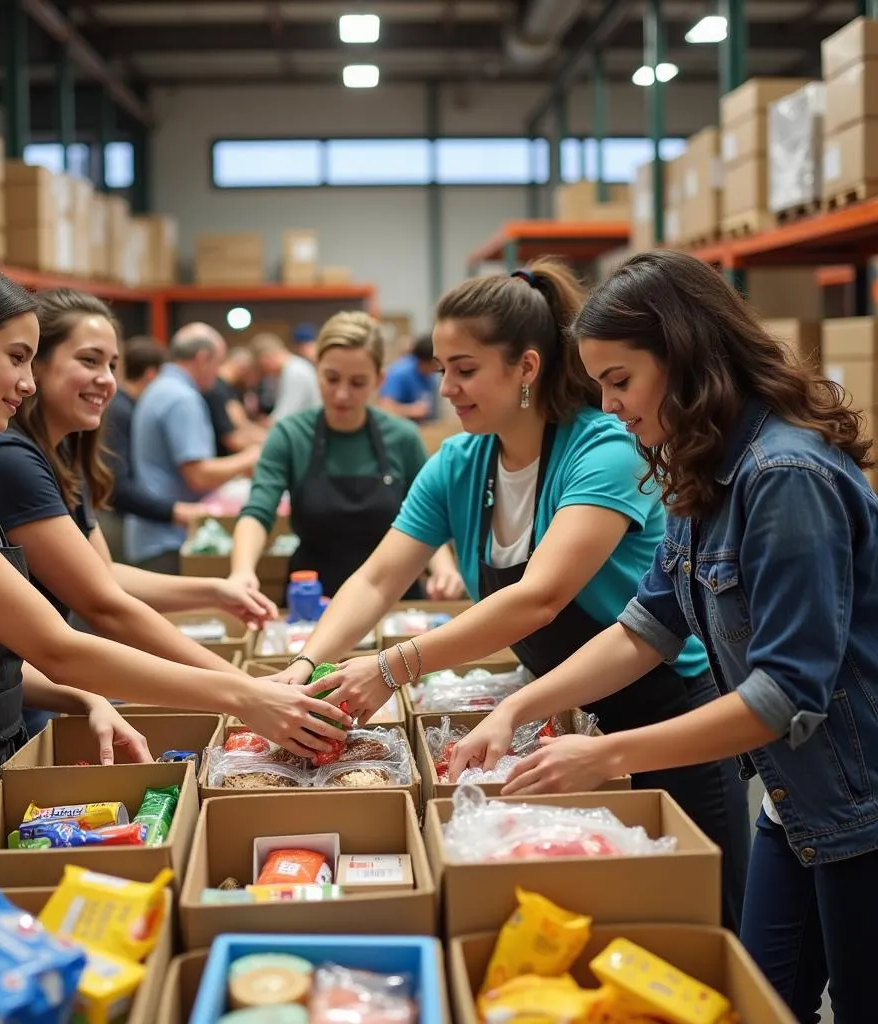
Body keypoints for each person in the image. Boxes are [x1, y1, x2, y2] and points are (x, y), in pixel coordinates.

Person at [0, 255, 350, 958]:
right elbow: (62, 636)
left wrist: (77, 699)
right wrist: (240, 694)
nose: (26, 384)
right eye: (18, 359)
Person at [447, 250, 878, 1023]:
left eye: (620, 381)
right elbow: (645, 627)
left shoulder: (784, 477)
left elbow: (784, 693)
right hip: (793, 806)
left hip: (859, 810)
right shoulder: (703, 467)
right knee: (764, 1001)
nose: (609, 406)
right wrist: (514, 712)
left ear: (685, 358)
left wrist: (607, 754)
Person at [275, 261, 750, 932]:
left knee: (701, 923)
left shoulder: (604, 448)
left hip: (665, 722)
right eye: (441, 369)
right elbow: (379, 578)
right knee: (603, 925)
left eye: (464, 369)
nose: (446, 389)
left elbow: (540, 598)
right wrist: (305, 665)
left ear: (526, 367)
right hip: (568, 719)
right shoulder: (460, 464)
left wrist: (392, 667)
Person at [0, 292, 275, 737]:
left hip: (25, 688)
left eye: (112, 365)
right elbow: (103, 605)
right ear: (37, 365)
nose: (105, 380)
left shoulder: (60, 450)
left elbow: (102, 574)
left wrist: (215, 592)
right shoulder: (8, 456)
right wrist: (244, 689)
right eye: (89, 361)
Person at [229, 311, 464, 602]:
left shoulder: (402, 437)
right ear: (317, 371)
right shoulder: (290, 435)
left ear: (378, 380)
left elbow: (428, 516)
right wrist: (242, 571)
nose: (341, 394)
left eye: (357, 383)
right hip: (312, 599)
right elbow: (257, 511)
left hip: (392, 598)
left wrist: (444, 570)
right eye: (331, 379)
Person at [125, 322, 261, 574]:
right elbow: (199, 476)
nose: (218, 374)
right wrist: (250, 458)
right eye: (217, 364)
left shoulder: (162, 387)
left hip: (156, 533)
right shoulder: (182, 398)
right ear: (202, 358)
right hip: (168, 538)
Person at [100, 336, 205, 562]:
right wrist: (173, 512)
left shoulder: (127, 405)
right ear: (150, 374)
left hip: (128, 516)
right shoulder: (119, 410)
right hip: (117, 518)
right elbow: (116, 483)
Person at [200, 331, 265, 457]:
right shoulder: (216, 389)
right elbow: (233, 437)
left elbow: (242, 423)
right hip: (218, 458)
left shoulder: (228, 388)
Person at [251, 332, 321, 421]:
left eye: (261, 366)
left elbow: (282, 418)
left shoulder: (296, 371)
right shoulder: (291, 369)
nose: (264, 372)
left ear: (266, 359)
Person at [377, 333, 440, 423]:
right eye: (435, 364)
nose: (438, 367)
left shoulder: (431, 375)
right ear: (425, 361)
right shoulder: (400, 373)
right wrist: (411, 410)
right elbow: (384, 407)